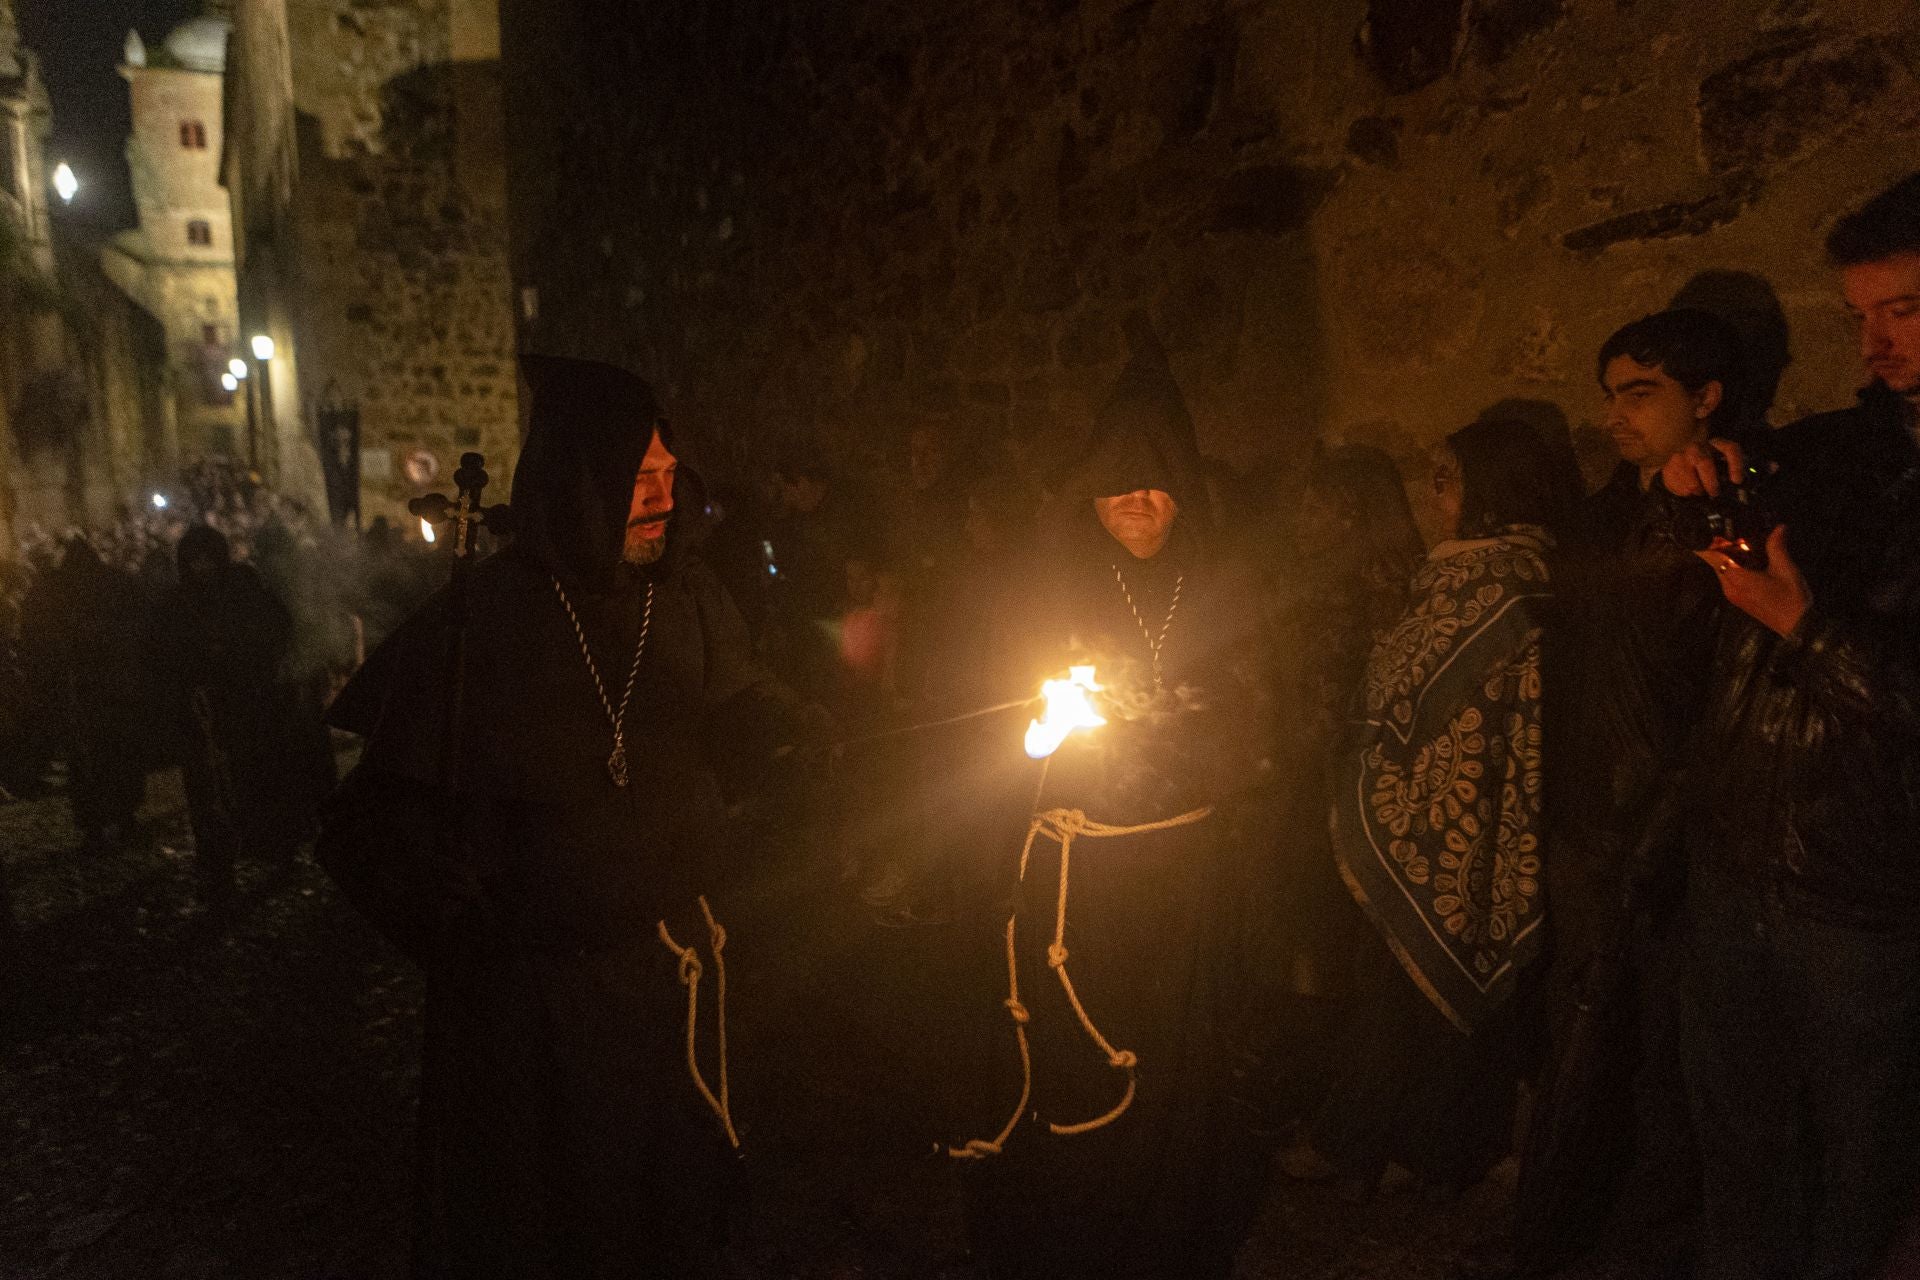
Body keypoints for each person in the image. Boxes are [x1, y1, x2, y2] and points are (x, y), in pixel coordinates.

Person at [317, 355, 827, 1278]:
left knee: (662, 1223)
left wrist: (791, 739)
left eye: (671, 480)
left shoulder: (689, 599)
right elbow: (364, 831)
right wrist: (441, 899)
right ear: (579, 483)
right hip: (530, 1021)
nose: (660, 501)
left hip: (665, 985)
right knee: (551, 1231)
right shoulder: (483, 623)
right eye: (641, 479)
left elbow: (745, 704)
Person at [960, 318, 1274, 1280]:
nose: (1136, 500)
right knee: (1079, 1045)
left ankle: (1170, 1211)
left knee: (1173, 1051)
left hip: (1183, 870)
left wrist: (1182, 713)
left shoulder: (1225, 579)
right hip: (1079, 875)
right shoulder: (1048, 580)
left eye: (1155, 478)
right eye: (1116, 480)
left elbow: (1258, 719)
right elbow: (1005, 719)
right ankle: (1075, 1215)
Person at [1660, 171, 1920, 1280]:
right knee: (1741, 1144)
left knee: (1864, 1159)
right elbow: (1752, 478)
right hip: (1736, 856)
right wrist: (1699, 473)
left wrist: (1804, 626)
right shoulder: (1841, 448)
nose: (1873, 343)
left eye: (1903, 310)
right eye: (1858, 316)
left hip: (1864, 888)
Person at [1285, 417, 1579, 1198]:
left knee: (1405, 976)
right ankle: (1432, 1141)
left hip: (1439, 815)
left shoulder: (1493, 579)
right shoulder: (1514, 568)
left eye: (1448, 482)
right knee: (1429, 973)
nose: (1435, 498)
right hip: (1460, 811)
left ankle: (1384, 1141)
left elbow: (1398, 692)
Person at [1514, 309, 1745, 1272]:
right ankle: (1556, 1234)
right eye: (1611, 394)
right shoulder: (1604, 515)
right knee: (1579, 1032)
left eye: (1640, 392)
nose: (1616, 415)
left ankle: (1645, 1245)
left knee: (1663, 1049)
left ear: (1705, 398)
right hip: (1584, 813)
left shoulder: (1734, 514)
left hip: (1679, 817)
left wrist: (1678, 807)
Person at [149, 525, 330, 919]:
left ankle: (276, 848)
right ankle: (218, 872)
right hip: (200, 717)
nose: (201, 568)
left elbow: (276, 630)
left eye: (206, 558)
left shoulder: (244, 592)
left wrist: (240, 658)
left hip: (249, 711)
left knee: (257, 782)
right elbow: (163, 655)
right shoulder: (178, 604)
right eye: (193, 560)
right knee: (208, 796)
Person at [17, 537, 151, 851]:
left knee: (87, 760)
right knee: (117, 754)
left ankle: (94, 824)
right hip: (110, 688)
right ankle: (124, 815)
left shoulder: (49, 590)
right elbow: (140, 629)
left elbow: (35, 640)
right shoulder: (116, 583)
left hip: (80, 689)